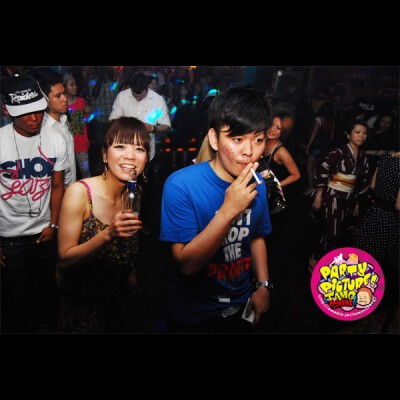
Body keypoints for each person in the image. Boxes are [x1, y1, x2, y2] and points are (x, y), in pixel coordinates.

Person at [160, 87, 273, 333]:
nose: (249, 151)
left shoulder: (259, 183)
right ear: (214, 139)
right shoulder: (181, 185)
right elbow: (188, 266)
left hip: (241, 304)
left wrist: (263, 285)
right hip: (195, 312)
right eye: (237, 139)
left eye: (258, 140)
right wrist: (228, 210)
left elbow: (256, 236)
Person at [56, 117, 150, 333]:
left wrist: (130, 271)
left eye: (139, 148)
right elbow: (65, 259)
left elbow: (129, 241)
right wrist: (109, 234)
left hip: (118, 294)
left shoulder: (134, 193)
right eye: (120, 146)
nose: (130, 155)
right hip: (83, 300)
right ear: (105, 155)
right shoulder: (79, 193)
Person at [0, 74, 68, 332]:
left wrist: (53, 224)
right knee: (17, 300)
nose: (34, 118)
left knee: (48, 293)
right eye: (25, 113)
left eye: (38, 110)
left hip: (44, 233)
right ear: (7, 111)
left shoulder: (56, 139)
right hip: (9, 238)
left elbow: (58, 186)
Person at [309, 120, 370, 268]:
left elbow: (362, 182)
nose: (361, 136)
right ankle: (319, 259)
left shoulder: (363, 157)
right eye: (357, 132)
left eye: (364, 133)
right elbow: (322, 171)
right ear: (348, 135)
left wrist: (357, 202)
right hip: (332, 196)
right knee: (333, 232)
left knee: (334, 231)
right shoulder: (338, 153)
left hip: (348, 199)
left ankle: (320, 259)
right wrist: (318, 197)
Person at [354, 147, 399, 311]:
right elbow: (399, 205)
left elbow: (373, 185)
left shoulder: (386, 156)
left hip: (374, 212)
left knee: (365, 257)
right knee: (383, 262)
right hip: (390, 219)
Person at [33, 67, 76, 187]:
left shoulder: (64, 119)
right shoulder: (43, 130)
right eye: (58, 96)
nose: (65, 99)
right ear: (44, 99)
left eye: (64, 93)